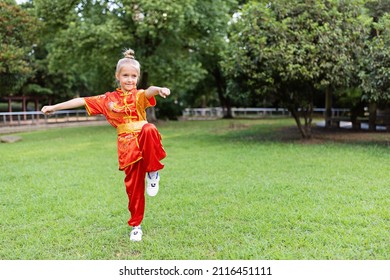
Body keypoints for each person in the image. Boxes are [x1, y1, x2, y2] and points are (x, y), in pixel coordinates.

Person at [41, 49, 170, 242]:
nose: (129, 80)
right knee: (134, 190)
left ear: (138, 78)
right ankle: (136, 226)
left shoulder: (140, 96)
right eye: (125, 75)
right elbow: (81, 100)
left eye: (134, 76)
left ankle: (153, 172)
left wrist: (159, 90)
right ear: (118, 76)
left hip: (146, 142)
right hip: (128, 149)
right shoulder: (107, 99)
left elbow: (149, 90)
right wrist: (54, 107)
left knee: (149, 128)